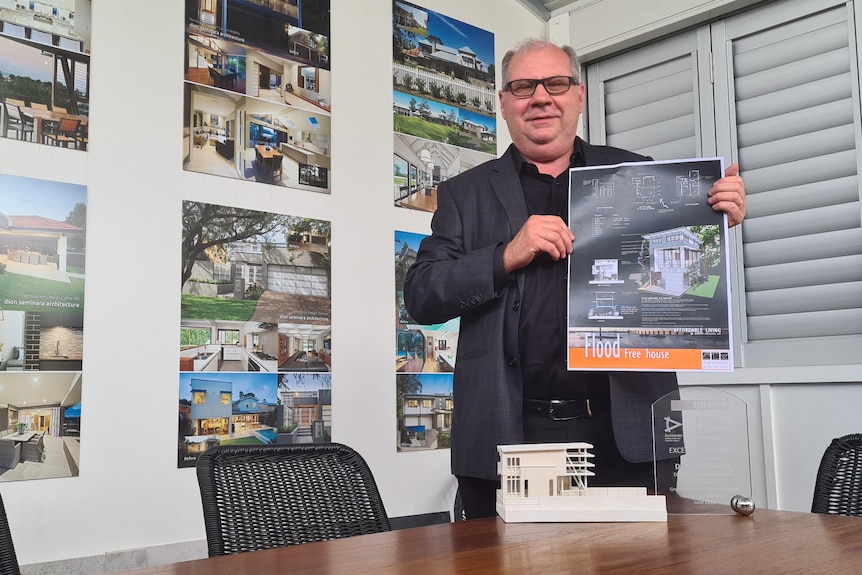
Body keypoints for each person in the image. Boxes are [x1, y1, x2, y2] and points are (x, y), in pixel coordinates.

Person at [403, 39, 747, 520]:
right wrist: (506, 255)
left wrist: (713, 218)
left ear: (578, 96)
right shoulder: (464, 194)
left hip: (625, 431)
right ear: (503, 102)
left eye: (556, 83)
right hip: (508, 432)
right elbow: (421, 295)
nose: (540, 97)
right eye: (523, 86)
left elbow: (684, 266)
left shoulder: (638, 174)